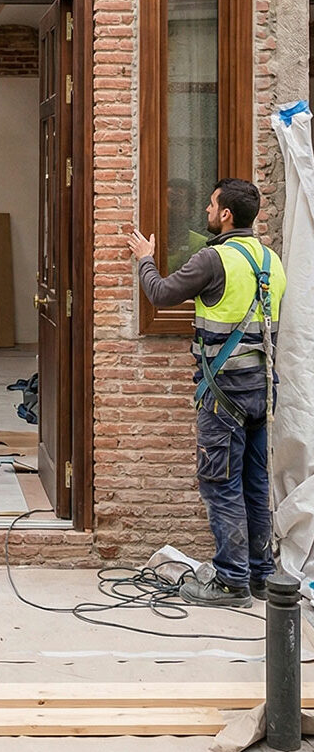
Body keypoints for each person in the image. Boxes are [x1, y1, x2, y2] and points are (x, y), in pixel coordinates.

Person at [127, 179, 287, 608]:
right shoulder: (271, 261)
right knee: (255, 482)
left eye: (212, 205)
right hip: (262, 392)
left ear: (227, 215)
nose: (205, 210)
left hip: (224, 395)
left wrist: (145, 259)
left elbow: (160, 294)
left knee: (220, 484)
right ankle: (260, 575)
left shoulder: (213, 259)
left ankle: (231, 582)